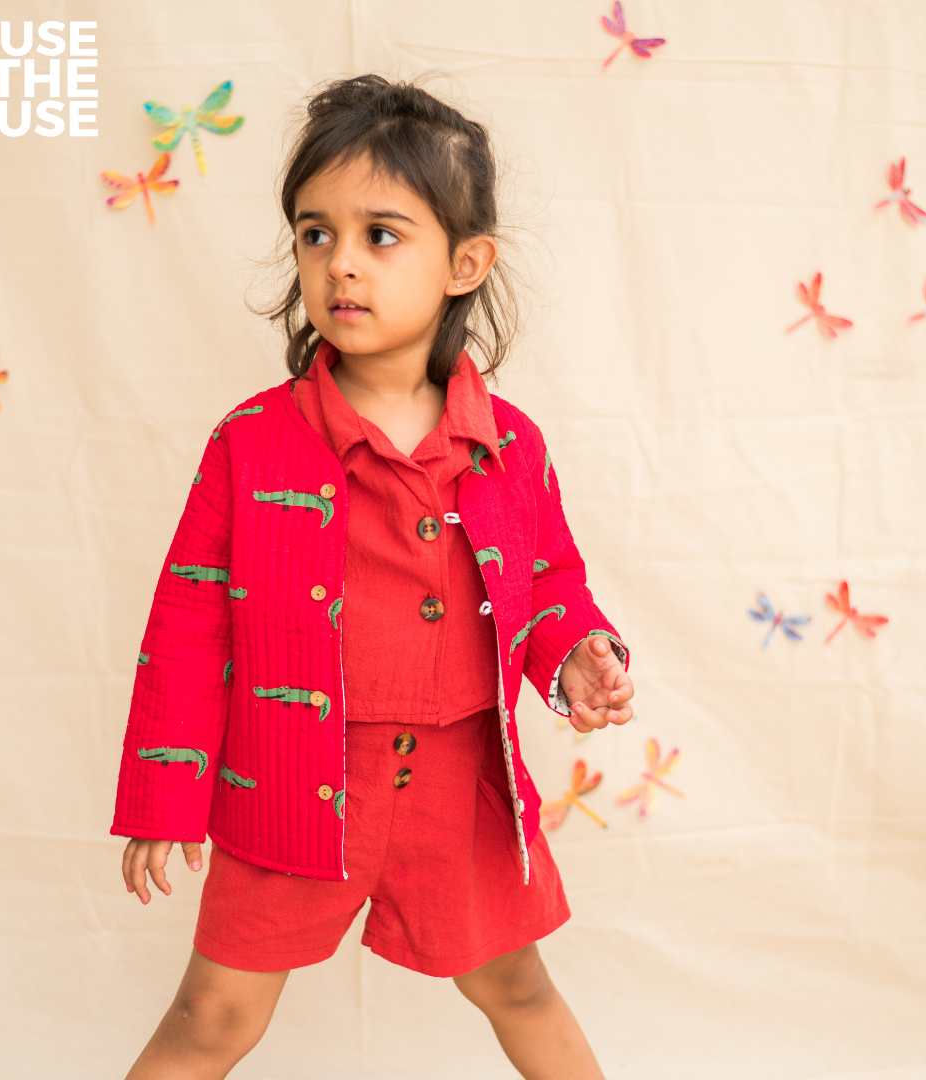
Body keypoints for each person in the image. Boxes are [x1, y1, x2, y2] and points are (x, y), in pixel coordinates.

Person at [112, 74, 634, 1080]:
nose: (341, 262)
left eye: (381, 235)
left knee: (519, 987)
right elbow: (185, 628)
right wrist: (162, 797)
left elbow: (547, 582)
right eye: (316, 234)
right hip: (290, 782)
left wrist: (577, 652)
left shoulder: (511, 444)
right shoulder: (249, 444)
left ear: (464, 264)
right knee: (211, 1014)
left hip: (460, 789)